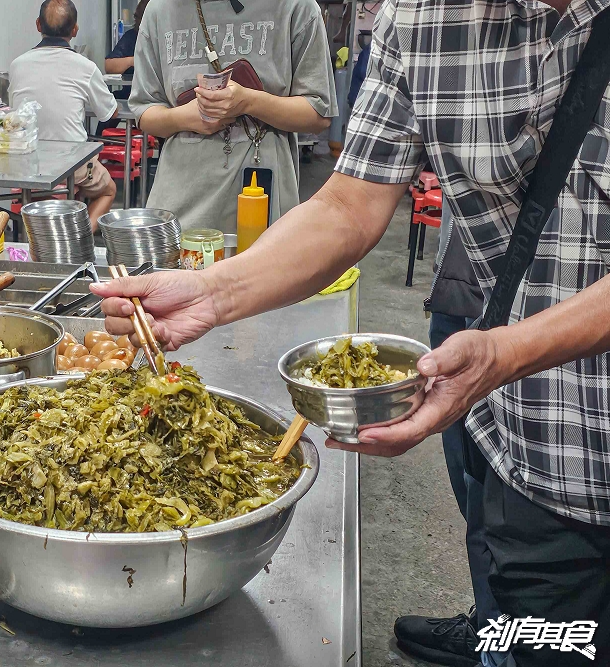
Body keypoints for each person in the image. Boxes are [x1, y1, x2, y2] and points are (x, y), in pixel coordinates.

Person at [94, 0, 610, 664]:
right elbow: (349, 202)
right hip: (538, 456)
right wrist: (212, 290)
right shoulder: (422, 18)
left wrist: (508, 350)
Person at [128, 0, 336, 233]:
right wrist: (184, 118)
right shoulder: (160, 11)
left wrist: (249, 102)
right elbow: (144, 111)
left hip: (264, 207)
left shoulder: (295, 7)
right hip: (178, 211)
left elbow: (318, 113)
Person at [392, 200, 493, 667]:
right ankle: (493, 623)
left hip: (544, 307)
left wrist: (503, 351)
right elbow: (350, 204)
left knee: (522, 505)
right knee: (472, 482)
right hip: (462, 290)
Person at [9, 0, 118, 229]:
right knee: (108, 190)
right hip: (71, 165)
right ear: (75, 30)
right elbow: (110, 113)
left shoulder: (17, 65)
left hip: (26, 165)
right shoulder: (85, 67)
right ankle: (79, 236)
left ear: (38, 25)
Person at [104, 0, 150, 99]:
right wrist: (133, 60)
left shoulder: (167, 39)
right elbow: (109, 66)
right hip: (130, 96)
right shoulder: (131, 37)